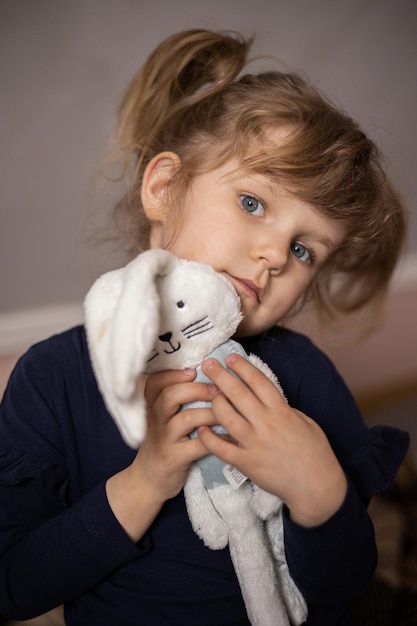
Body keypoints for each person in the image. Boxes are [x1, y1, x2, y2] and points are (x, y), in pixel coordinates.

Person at [0, 29, 410, 626]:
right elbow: (13, 586)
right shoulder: (51, 378)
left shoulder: (303, 375)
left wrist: (318, 489)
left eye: (304, 249)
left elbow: (341, 586)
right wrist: (145, 482)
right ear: (164, 188)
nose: (273, 254)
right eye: (253, 204)